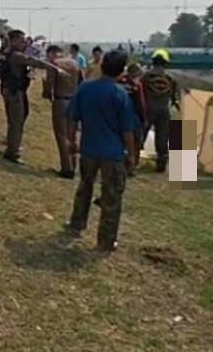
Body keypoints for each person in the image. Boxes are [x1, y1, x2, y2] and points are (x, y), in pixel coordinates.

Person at [65, 50, 136, 251]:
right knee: (112, 197)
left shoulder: (85, 88)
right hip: (112, 154)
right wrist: (131, 155)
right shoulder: (120, 94)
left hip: (88, 149)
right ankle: (106, 240)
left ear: (102, 65)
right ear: (121, 71)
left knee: (84, 188)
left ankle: (77, 222)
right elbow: (127, 130)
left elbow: (72, 117)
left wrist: (71, 141)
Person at [0, 29, 58, 164]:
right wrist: (53, 67)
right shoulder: (16, 55)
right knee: (17, 121)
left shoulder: (7, 53)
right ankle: (13, 151)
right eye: (22, 41)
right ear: (14, 41)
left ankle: (12, 144)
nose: (25, 43)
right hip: (15, 91)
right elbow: (33, 61)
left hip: (9, 89)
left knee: (14, 119)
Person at [43, 44, 80, 178]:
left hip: (61, 100)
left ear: (51, 53)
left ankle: (66, 168)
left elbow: (49, 84)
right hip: (74, 100)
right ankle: (74, 165)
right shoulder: (74, 63)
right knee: (72, 135)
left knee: (62, 135)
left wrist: (47, 94)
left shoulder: (54, 64)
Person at [141, 51, 180, 172]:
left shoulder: (146, 77)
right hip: (164, 109)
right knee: (162, 137)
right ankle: (161, 164)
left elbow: (140, 93)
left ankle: (133, 160)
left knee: (141, 134)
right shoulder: (171, 78)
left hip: (148, 108)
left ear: (153, 63)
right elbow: (174, 97)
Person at [118, 61, 146, 170]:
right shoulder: (136, 85)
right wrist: (143, 118)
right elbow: (141, 103)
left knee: (120, 141)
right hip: (132, 115)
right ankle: (133, 164)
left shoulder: (118, 81)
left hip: (117, 115)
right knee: (136, 141)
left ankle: (120, 162)